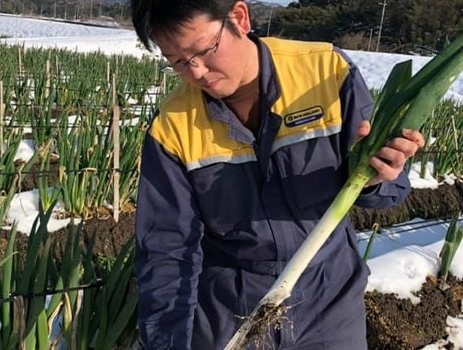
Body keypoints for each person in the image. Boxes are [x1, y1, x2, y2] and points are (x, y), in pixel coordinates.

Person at [130, 1, 425, 349]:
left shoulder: (326, 72)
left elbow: (390, 189)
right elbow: (167, 249)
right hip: (232, 310)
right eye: (178, 62)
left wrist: (379, 177)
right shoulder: (172, 127)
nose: (197, 73)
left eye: (203, 50)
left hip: (328, 299)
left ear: (239, 18)